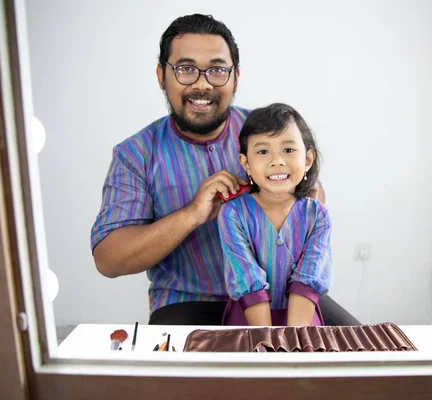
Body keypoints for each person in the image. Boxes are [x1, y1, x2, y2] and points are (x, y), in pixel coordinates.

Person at [91, 14, 357, 327]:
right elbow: (108, 261)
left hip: (283, 295)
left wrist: (276, 204)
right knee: (203, 375)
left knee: (363, 360)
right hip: (189, 301)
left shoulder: (267, 129)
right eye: (186, 69)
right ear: (162, 75)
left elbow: (313, 192)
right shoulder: (135, 154)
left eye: (217, 70)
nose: (202, 84)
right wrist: (192, 214)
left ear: (235, 77)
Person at [218, 103, 332, 326]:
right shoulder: (232, 213)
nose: (277, 160)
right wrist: (267, 342)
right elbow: (246, 278)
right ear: (246, 164)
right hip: (250, 322)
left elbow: (308, 278)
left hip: (302, 321)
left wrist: (293, 339)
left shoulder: (318, 215)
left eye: (288, 150)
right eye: (262, 151)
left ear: (307, 160)